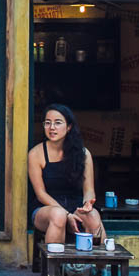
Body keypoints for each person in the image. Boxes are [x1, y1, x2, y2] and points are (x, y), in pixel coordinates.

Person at [28, 103, 106, 246]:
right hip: (45, 208)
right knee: (58, 216)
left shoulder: (83, 154)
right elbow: (41, 194)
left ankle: (100, 267)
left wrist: (87, 204)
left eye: (58, 123)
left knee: (94, 216)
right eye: (47, 123)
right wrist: (66, 214)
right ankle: (54, 267)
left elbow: (88, 190)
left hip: (75, 206)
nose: (52, 128)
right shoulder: (36, 154)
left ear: (69, 127)